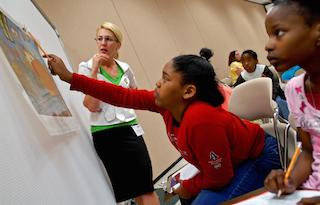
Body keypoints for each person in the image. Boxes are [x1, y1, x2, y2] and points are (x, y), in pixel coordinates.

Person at [46, 50, 281, 204]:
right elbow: (122, 95)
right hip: (230, 161)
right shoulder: (167, 104)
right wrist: (70, 77)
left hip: (259, 158)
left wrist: (188, 186)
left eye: (166, 79)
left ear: (188, 91)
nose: (158, 82)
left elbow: (220, 176)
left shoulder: (202, 121)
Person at [77, 22, 159, 205]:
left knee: (146, 188)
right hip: (105, 135)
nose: (103, 43)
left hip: (130, 130)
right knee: (133, 191)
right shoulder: (86, 68)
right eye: (99, 39)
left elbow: (134, 94)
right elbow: (91, 105)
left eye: (108, 39)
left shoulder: (125, 67)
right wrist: (95, 70)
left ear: (118, 45)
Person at [263, 0, 320, 204]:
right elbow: (308, 151)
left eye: (278, 32)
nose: (268, 45)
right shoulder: (294, 88)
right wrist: (290, 180)